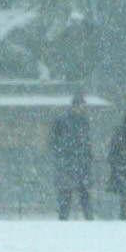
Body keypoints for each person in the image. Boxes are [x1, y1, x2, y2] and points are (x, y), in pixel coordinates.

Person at [49, 91, 94, 220]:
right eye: (80, 106)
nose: (82, 109)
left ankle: (89, 220)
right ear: (74, 106)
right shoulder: (63, 121)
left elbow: (86, 142)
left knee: (84, 195)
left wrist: (87, 156)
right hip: (67, 164)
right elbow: (54, 141)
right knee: (66, 195)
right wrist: (63, 154)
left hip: (81, 164)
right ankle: (64, 220)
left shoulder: (84, 122)